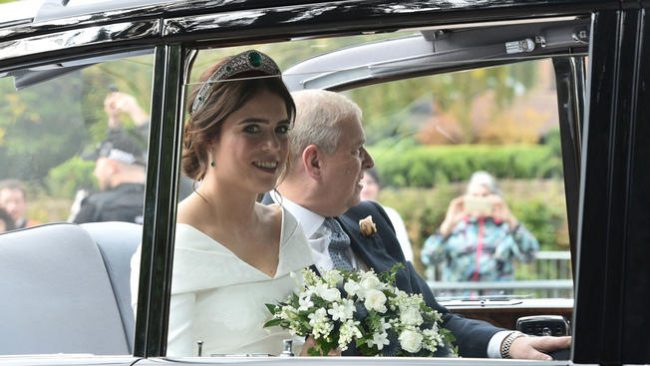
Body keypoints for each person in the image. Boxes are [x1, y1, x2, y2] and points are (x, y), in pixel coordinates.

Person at [273, 89, 570, 359]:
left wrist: (507, 343)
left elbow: (434, 319)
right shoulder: (263, 243)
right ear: (314, 162)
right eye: (357, 149)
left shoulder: (370, 218)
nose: (370, 162)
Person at [131, 50, 313, 357]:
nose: (272, 146)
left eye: (280, 129)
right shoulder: (171, 245)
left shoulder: (286, 227)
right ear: (208, 138)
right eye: (252, 129)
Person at [421, 171, 539, 286]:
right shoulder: (455, 229)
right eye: (475, 196)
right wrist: (447, 224)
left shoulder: (505, 229)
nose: (479, 200)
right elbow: (428, 258)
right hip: (458, 303)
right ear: (466, 198)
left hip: (497, 303)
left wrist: (511, 220)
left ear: (494, 198)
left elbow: (530, 255)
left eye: (485, 196)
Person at [70, 132, 147, 224]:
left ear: (112, 167)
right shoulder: (162, 203)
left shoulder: (96, 206)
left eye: (97, 165)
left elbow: (68, 237)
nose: (95, 173)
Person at [360, 167, 414, 261]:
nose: (365, 188)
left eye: (370, 182)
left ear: (378, 186)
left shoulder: (391, 215)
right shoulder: (344, 216)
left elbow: (405, 251)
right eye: (360, 183)